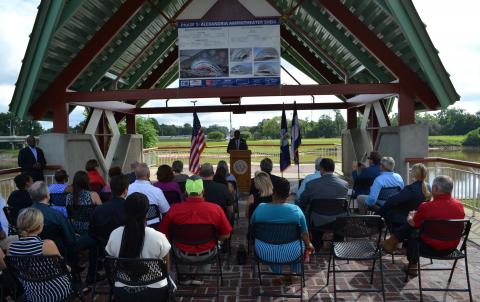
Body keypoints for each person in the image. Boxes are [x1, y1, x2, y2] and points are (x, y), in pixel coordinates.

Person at [381, 176, 464, 275]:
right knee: (418, 226)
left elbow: (413, 224)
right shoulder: (460, 206)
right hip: (451, 248)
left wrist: (411, 217)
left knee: (412, 229)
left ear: (435, 189)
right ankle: (391, 242)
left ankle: (412, 264)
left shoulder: (426, 206)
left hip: (428, 248)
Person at [159, 176, 232, 285]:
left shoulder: (174, 209)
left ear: (185, 193)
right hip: (208, 253)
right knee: (216, 243)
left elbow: (163, 234)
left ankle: (184, 275)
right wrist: (216, 240)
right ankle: (201, 274)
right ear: (202, 191)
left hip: (181, 253)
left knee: (172, 243)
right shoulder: (215, 209)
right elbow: (226, 234)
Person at [106, 192, 171, 301]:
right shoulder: (158, 237)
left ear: (125, 211)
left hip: (123, 291)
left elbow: (112, 261)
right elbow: (166, 269)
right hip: (154, 292)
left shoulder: (114, 234)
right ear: (146, 213)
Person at [29, 181, 98, 283]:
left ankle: (76, 268)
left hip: (35, 248)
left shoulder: (24, 213)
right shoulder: (56, 215)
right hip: (61, 248)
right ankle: (90, 276)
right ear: (47, 195)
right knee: (93, 240)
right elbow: (71, 240)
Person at [251, 177, 314, 284]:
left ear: (272, 192)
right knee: (300, 241)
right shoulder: (296, 210)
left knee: (274, 240)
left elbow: (252, 227)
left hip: (264, 251)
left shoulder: (260, 209)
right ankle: (295, 273)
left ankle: (278, 274)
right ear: (288, 194)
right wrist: (309, 245)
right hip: (292, 253)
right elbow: (304, 233)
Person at [8, 207, 71, 302]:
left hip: (32, 294)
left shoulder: (11, 247)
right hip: (56, 292)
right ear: (40, 226)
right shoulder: (47, 245)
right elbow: (63, 269)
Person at [299, 158, 349, 250]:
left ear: (321, 169)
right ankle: (338, 245)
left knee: (310, 212)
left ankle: (316, 244)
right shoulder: (344, 184)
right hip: (338, 221)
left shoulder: (312, 184)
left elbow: (302, 201)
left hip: (318, 221)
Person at [378, 163, 431, 235]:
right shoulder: (428, 187)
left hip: (406, 219)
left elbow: (392, 200)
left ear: (413, 174)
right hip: (420, 219)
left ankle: (394, 236)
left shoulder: (410, 189)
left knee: (388, 210)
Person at [90, 174, 129, 246]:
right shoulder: (131, 209)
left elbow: (92, 231)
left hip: (103, 247)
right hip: (124, 248)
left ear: (111, 189)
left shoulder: (99, 209)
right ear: (125, 191)